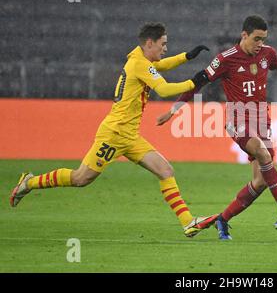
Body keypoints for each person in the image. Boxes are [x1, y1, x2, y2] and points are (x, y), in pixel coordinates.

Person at [10, 22, 218, 238]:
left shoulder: (141, 59)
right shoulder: (139, 64)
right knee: (81, 178)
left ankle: (188, 223)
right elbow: (164, 89)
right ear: (150, 43)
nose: (165, 48)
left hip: (129, 136)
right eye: (163, 44)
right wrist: (194, 82)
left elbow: (161, 65)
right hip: (114, 134)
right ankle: (29, 182)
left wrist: (186, 57)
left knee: (165, 170)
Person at [157, 15, 277, 240]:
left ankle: (223, 220)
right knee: (263, 154)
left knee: (261, 181)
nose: (260, 44)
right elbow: (199, 82)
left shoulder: (268, 53)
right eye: (256, 39)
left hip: (262, 119)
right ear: (244, 35)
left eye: (263, 39)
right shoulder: (226, 59)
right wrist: (175, 109)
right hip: (237, 120)